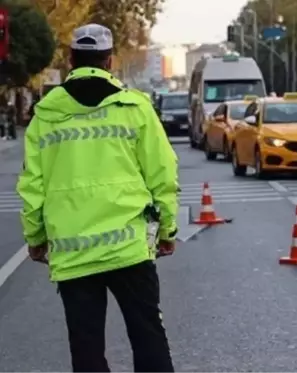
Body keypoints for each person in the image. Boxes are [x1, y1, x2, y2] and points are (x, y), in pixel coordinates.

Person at [16, 23, 178, 373]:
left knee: (86, 347)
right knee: (148, 334)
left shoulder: (45, 114)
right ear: (110, 61)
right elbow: (163, 174)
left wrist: (35, 238)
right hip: (130, 247)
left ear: (71, 58)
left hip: (74, 252)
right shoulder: (134, 107)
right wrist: (168, 230)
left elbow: (33, 186)